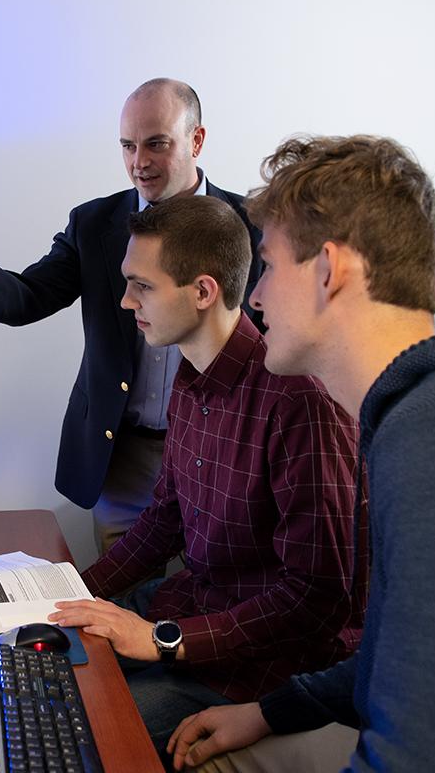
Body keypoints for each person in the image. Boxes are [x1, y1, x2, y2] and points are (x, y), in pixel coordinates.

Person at [166, 135, 435, 772]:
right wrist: (269, 712)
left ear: (330, 270)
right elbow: (399, 652)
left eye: (268, 266)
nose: (256, 297)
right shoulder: (431, 414)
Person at [45, 195, 368, 757]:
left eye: (141, 286)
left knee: (77, 736)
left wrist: (163, 642)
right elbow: (164, 520)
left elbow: (317, 598)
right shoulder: (190, 381)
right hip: (192, 606)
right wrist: (70, 594)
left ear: (202, 291)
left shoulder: (299, 401)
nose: (125, 302)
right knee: (37, 656)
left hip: (259, 663)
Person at [0, 78, 264, 554]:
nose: (139, 162)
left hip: (218, 452)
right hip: (122, 452)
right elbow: (33, 294)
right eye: (128, 146)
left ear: (196, 140)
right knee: (118, 603)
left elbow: (268, 344)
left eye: (156, 144)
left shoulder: (252, 226)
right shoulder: (93, 223)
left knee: (199, 603)